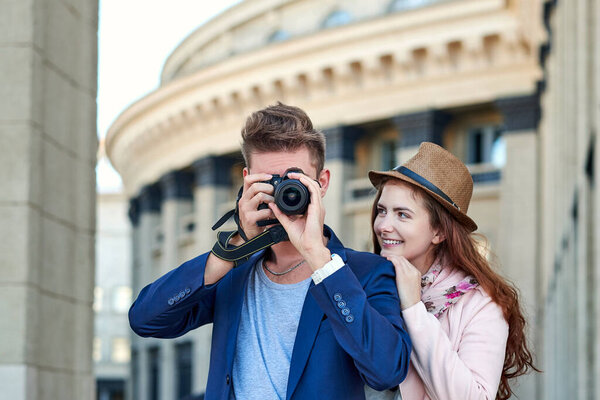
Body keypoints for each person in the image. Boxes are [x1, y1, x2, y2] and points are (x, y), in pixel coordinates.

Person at [129, 103, 412, 400]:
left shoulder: (366, 272)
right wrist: (234, 247)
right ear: (247, 181)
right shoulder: (233, 273)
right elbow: (146, 319)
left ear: (323, 182)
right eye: (268, 182)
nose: (282, 195)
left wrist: (319, 259)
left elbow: (387, 371)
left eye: (294, 180)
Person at [367, 142, 537, 400]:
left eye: (402, 214)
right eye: (382, 211)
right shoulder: (368, 287)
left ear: (440, 232)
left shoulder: (481, 305)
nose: (384, 226)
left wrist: (413, 309)